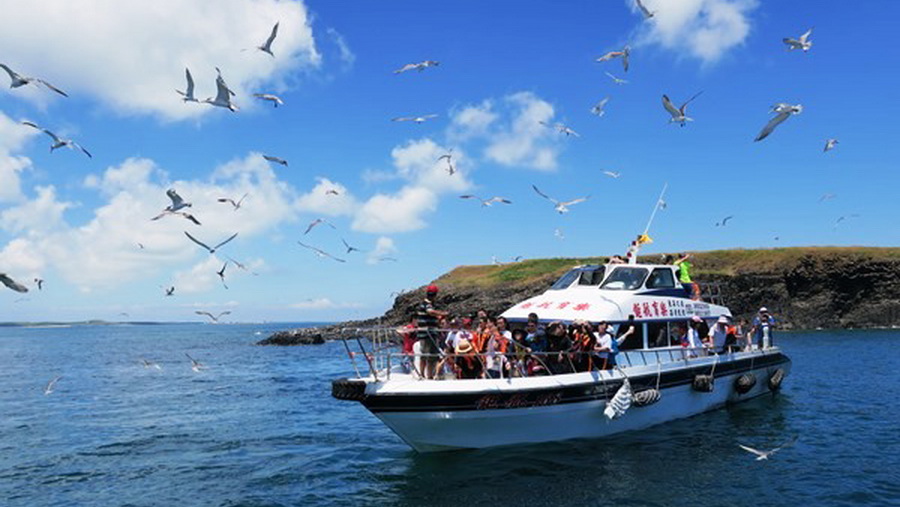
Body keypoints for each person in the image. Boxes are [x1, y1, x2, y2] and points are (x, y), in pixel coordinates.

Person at [415, 284, 449, 379]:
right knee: (430, 356)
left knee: (426, 355)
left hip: (427, 333)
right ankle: (428, 376)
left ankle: (423, 375)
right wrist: (443, 313)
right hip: (427, 334)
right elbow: (430, 311)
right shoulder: (427, 304)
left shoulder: (425, 304)